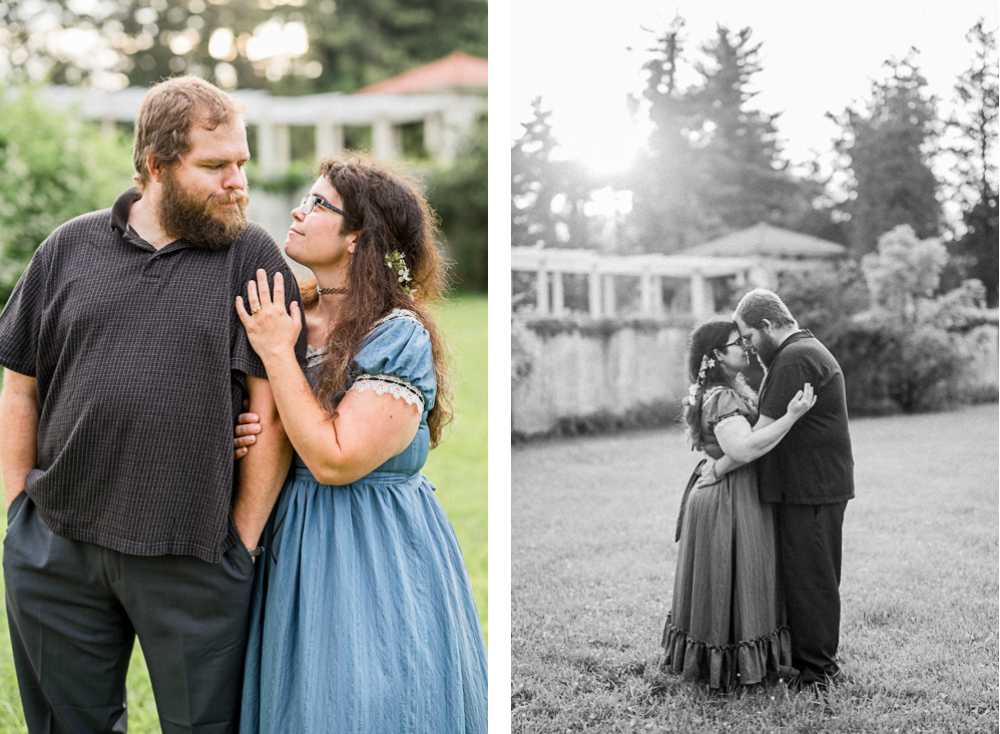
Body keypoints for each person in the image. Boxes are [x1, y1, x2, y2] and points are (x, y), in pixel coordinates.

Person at [0, 76, 304, 733]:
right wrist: (16, 509)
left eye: (242, 164)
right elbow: (19, 385)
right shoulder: (66, 249)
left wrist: (242, 541)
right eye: (215, 165)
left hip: (193, 558)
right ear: (154, 166)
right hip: (57, 549)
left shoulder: (251, 257)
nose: (237, 182)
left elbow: (273, 407)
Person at [231, 152, 488, 733]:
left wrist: (276, 353)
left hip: (371, 546)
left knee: (364, 699)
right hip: (289, 536)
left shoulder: (397, 335)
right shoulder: (287, 309)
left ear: (358, 239)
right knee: (298, 698)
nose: (299, 212)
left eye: (320, 204)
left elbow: (336, 457)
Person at [661, 318, 816, 691]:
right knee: (730, 580)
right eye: (737, 343)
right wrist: (792, 416)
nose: (746, 348)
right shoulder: (721, 396)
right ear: (716, 354)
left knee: (740, 578)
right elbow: (744, 448)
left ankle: (736, 663)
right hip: (728, 499)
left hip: (732, 489)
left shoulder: (732, 388)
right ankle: (724, 667)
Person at [714, 287, 854, 692]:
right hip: (811, 485)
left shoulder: (794, 358)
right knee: (806, 576)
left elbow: (759, 436)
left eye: (749, 337)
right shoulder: (799, 351)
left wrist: (719, 466)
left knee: (813, 580)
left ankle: (818, 673)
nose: (748, 346)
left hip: (813, 487)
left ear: (768, 325)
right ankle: (807, 661)